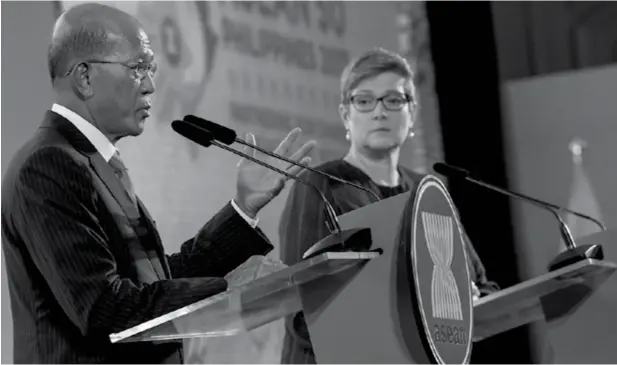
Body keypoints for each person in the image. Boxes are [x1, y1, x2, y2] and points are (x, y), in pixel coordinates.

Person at [0, 3, 315, 364]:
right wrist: (227, 288)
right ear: (85, 77)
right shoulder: (49, 165)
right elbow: (105, 309)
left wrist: (243, 209)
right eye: (138, 68)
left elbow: (152, 284)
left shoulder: (91, 163)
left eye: (151, 68)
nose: (151, 85)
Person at [278, 48, 499, 364]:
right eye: (365, 101)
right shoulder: (321, 185)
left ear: (412, 113)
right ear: (345, 115)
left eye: (394, 100)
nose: (380, 112)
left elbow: (481, 285)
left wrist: (469, 301)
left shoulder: (427, 192)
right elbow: (300, 303)